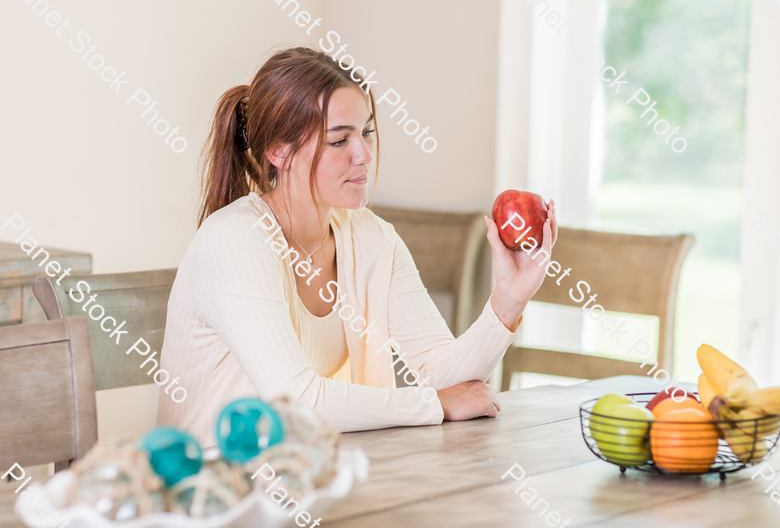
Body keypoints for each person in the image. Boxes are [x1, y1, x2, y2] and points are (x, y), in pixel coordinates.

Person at [156, 46, 558, 446]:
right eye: (338, 141)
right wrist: (432, 404)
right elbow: (295, 401)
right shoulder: (235, 240)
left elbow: (444, 377)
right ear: (279, 151)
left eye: (366, 132)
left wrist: (508, 301)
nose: (363, 154)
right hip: (210, 492)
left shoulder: (371, 237)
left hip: (300, 482)